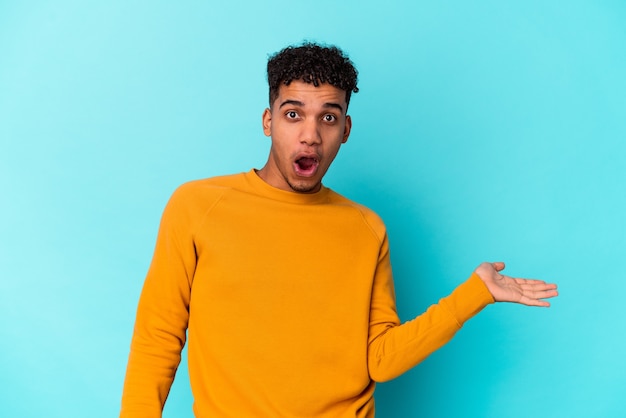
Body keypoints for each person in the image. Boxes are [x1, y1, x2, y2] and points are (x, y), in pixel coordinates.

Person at [120, 42, 558, 418]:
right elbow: (158, 337)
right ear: (268, 121)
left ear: (345, 129)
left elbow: (380, 360)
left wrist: (474, 293)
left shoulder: (366, 228)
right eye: (293, 114)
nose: (310, 135)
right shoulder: (198, 206)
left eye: (328, 118)